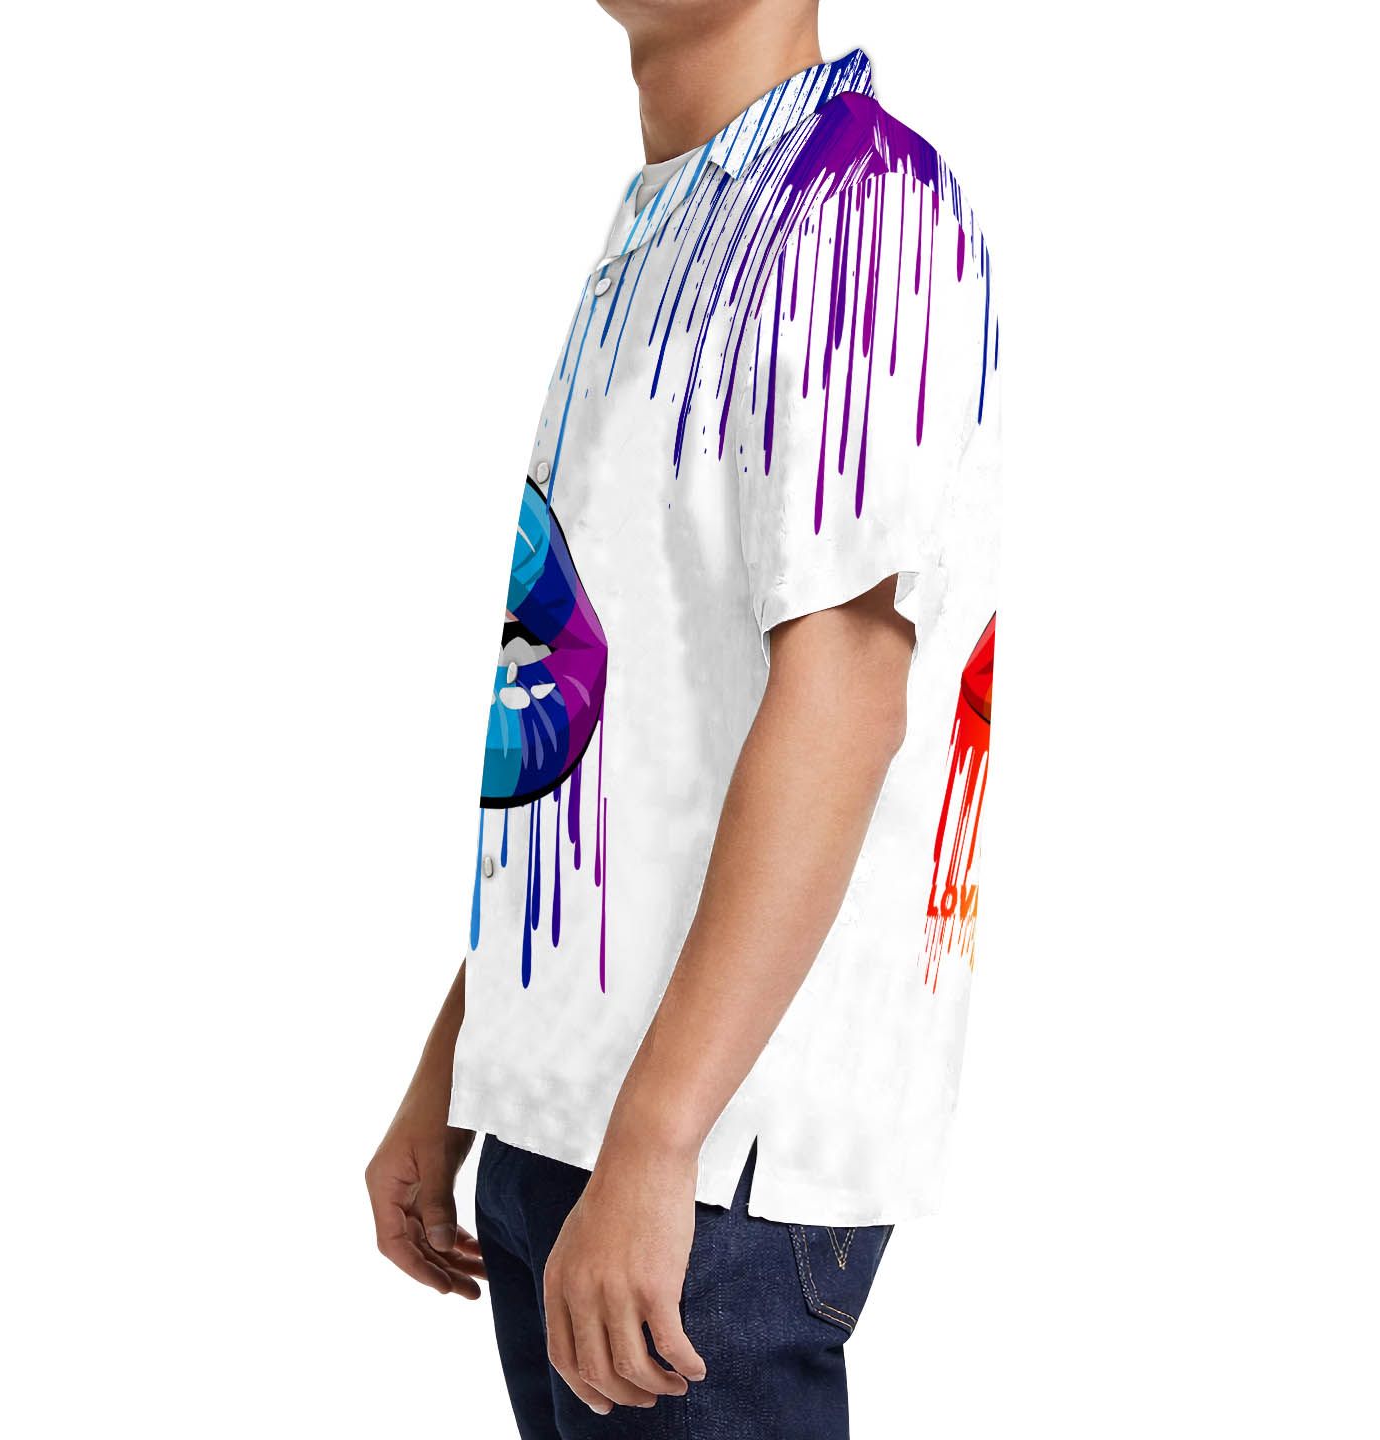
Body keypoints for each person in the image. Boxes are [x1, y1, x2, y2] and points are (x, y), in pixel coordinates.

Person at [366, 2, 1001, 1434]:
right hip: (582, 1133)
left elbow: (846, 693)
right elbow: (636, 739)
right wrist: (461, 1070)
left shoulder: (857, 202)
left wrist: (659, 1138)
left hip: (712, 1171)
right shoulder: (669, 220)